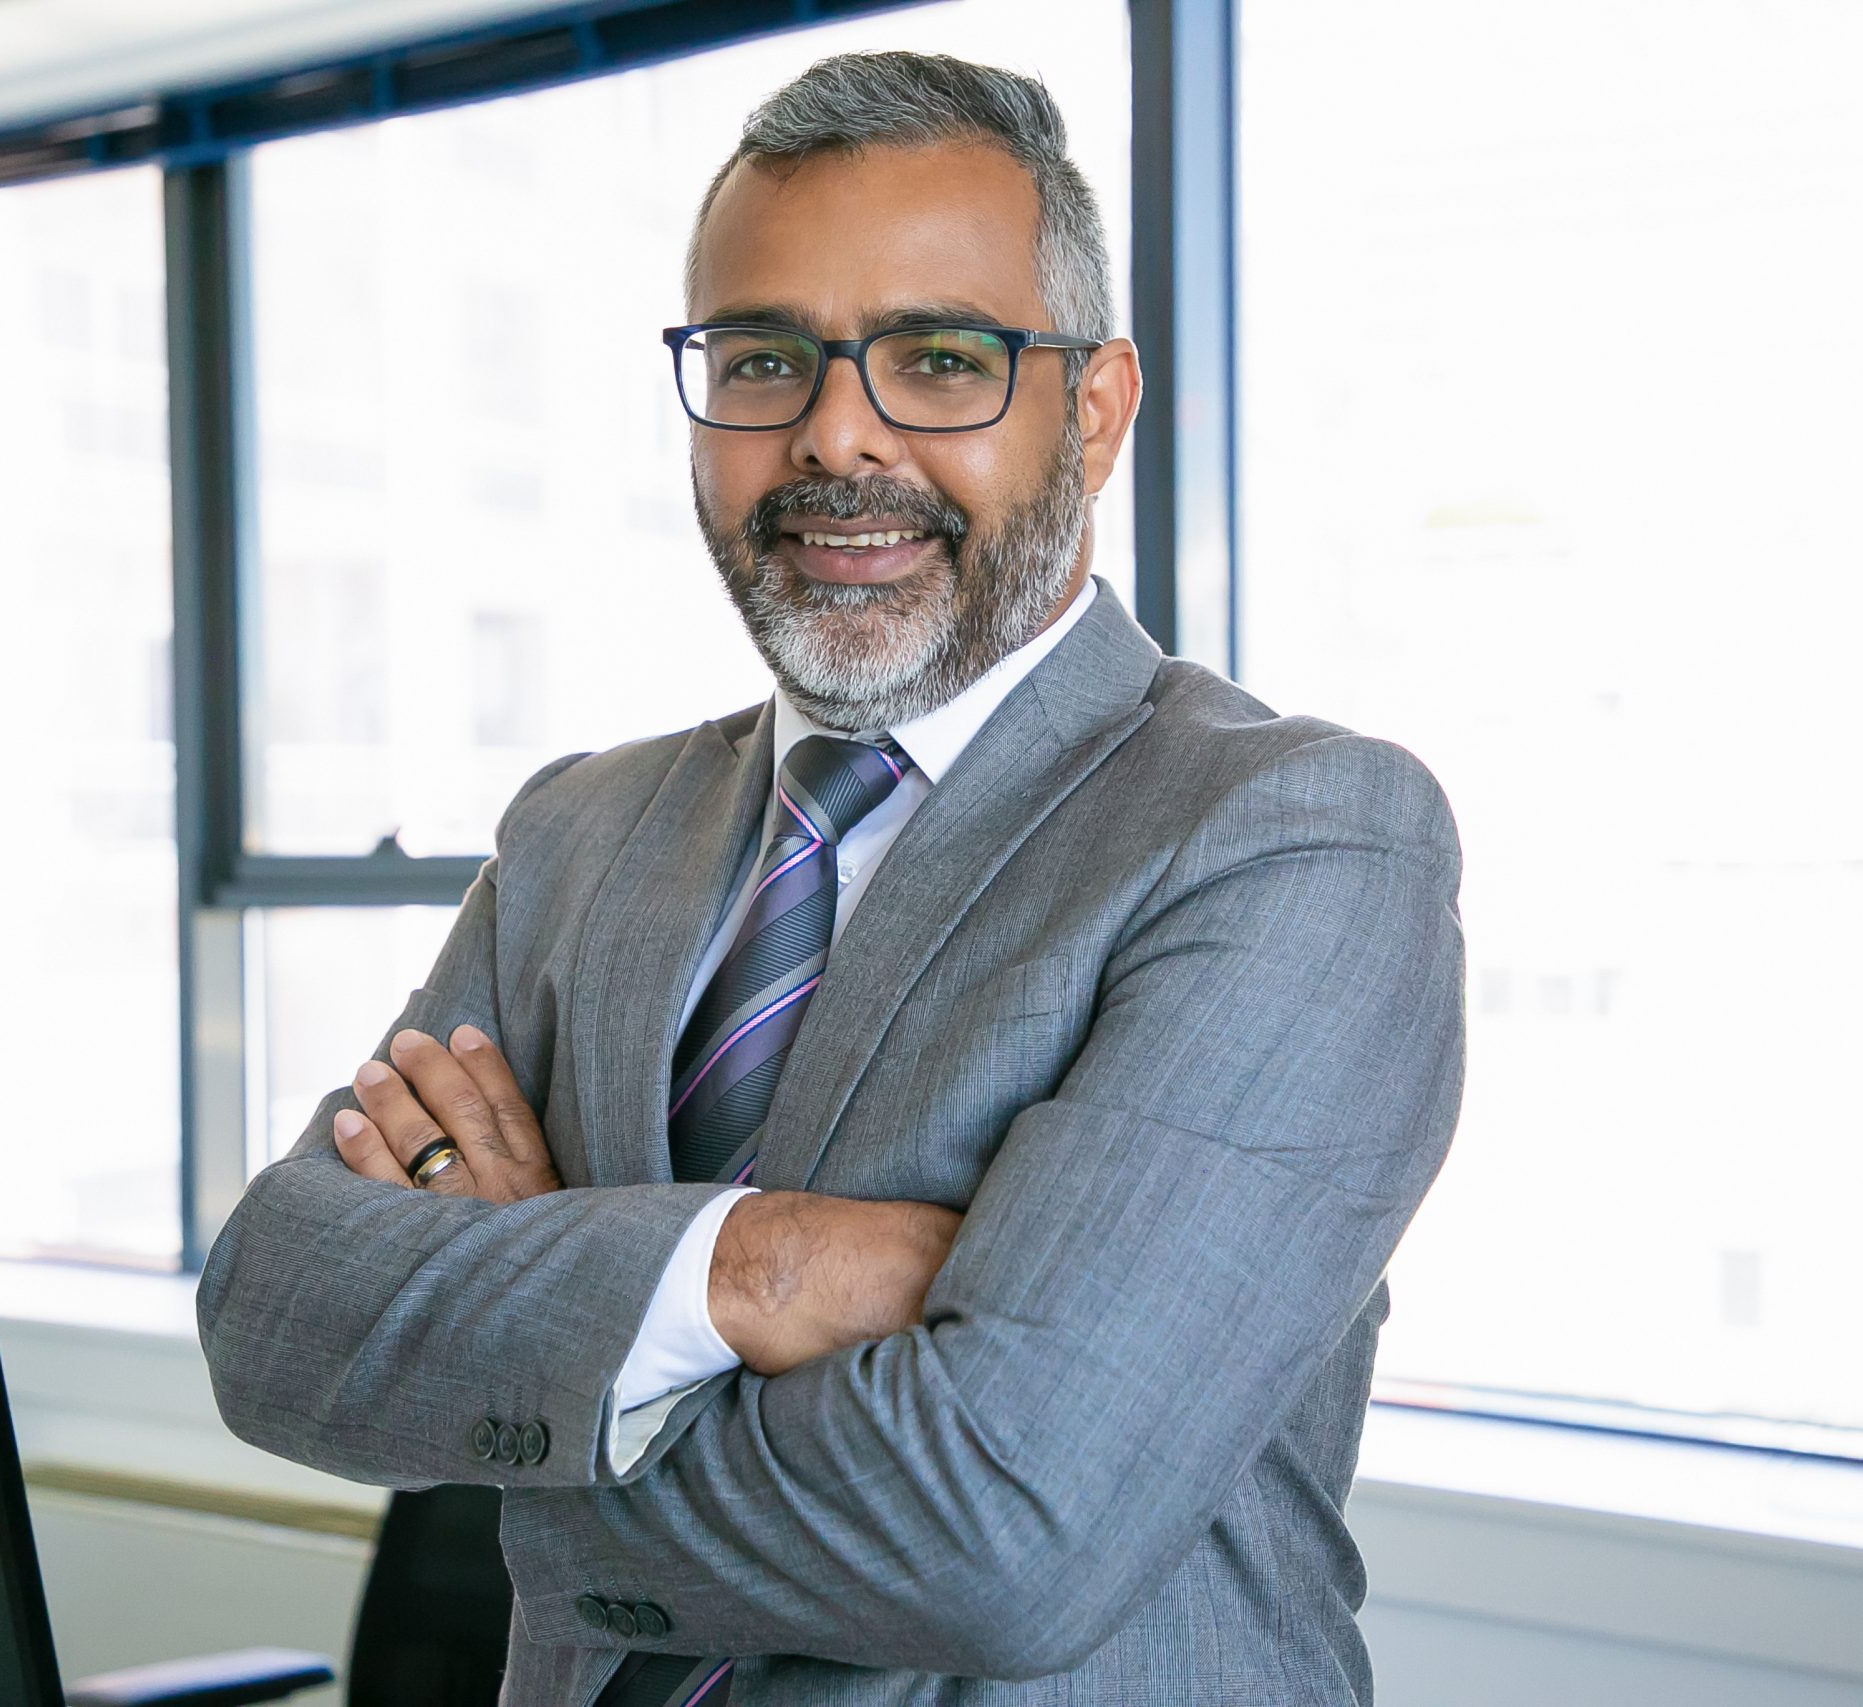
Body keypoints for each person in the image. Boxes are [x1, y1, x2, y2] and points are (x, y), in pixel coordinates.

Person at [198, 50, 1464, 1707]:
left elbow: (1003, 1535)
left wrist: (556, 1355)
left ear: (1089, 409)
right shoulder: (581, 832)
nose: (835, 435)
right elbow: (277, 1318)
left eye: (942, 358)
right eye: (764, 357)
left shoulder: (1292, 837)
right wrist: (756, 1269)